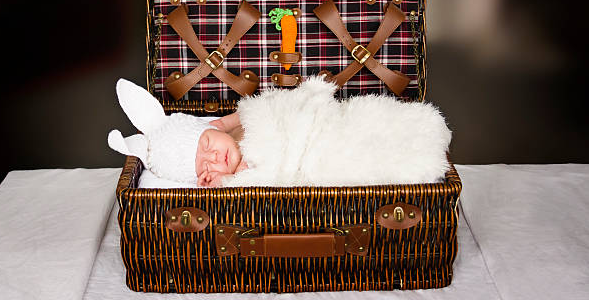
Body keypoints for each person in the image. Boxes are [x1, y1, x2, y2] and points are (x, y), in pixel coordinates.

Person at [109, 75, 452, 188]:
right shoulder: (238, 175)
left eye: (208, 143)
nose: (214, 157)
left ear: (210, 128)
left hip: (322, 125)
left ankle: (415, 128)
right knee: (363, 160)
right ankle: (414, 150)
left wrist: (227, 122)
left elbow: (274, 105)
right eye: (204, 166)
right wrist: (227, 180)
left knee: (368, 119)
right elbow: (269, 180)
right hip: (313, 159)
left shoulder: (239, 123)